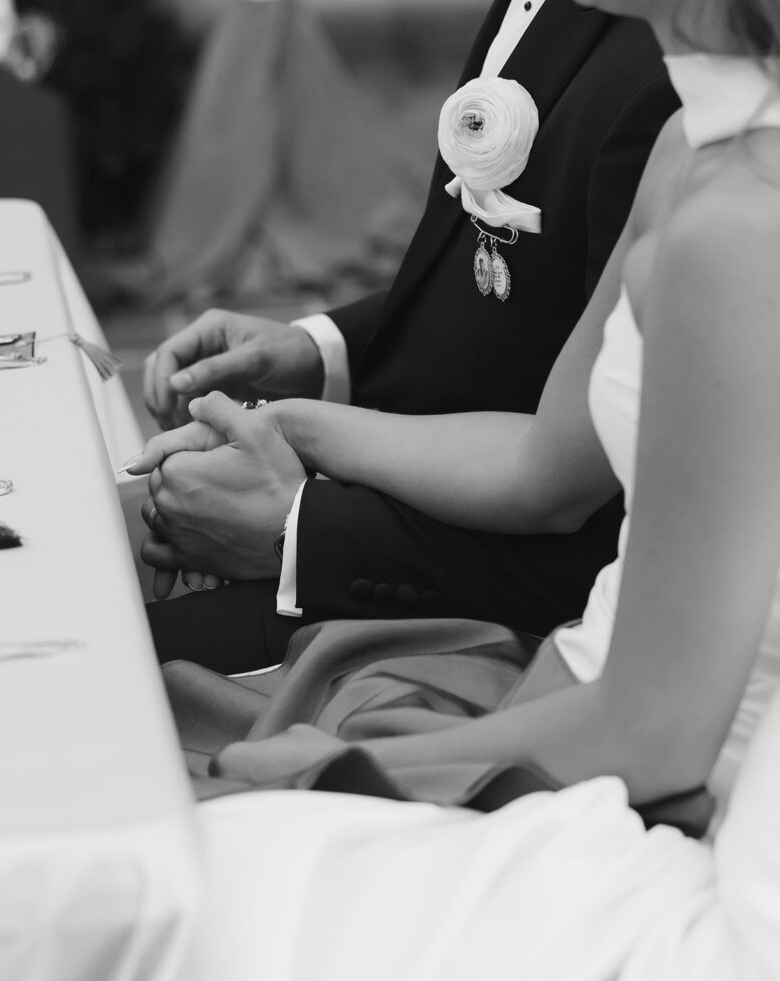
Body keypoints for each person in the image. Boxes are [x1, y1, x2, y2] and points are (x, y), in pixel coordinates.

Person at [153, 4, 780, 981]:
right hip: (567, 704)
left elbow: (656, 733)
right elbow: (540, 463)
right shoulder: (689, 141)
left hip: (672, 788)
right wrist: (291, 425)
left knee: (182, 890)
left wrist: (336, 767)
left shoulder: (742, 225)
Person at [133, 0, 679, 673]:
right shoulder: (561, 16)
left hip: (498, 592)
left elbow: (580, 488)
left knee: (111, 661)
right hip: (421, 496)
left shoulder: (667, 82)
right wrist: (320, 349)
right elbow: (521, 296)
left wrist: (297, 522)